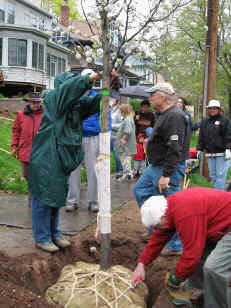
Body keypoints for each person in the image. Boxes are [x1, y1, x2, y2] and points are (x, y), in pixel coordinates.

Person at [28, 70, 102, 253]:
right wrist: (89, 78)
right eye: (75, 84)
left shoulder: (75, 104)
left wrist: (108, 86)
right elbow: (71, 89)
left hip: (59, 158)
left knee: (55, 198)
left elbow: (95, 103)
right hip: (46, 158)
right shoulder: (54, 99)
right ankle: (42, 237)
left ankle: (54, 233)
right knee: (43, 199)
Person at [131, 188, 231, 308]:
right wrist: (142, 264)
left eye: (156, 226)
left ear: (162, 217)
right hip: (217, 223)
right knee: (200, 253)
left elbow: (191, 255)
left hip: (227, 225)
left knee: (213, 268)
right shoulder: (168, 209)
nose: (156, 229)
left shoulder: (185, 214)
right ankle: (197, 288)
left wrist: (176, 277)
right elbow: (158, 238)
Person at [134, 83, 191, 254]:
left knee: (170, 206)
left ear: (163, 97)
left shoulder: (174, 116)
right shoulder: (163, 114)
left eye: (152, 95)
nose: (149, 98)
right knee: (141, 190)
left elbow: (175, 147)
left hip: (167, 167)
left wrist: (166, 175)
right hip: (155, 166)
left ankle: (175, 245)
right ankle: (157, 231)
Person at [66, 86, 111, 213]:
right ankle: (72, 201)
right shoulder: (74, 96)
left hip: (92, 137)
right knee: (73, 170)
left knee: (93, 171)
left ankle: (93, 201)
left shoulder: (99, 97)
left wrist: (105, 136)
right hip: (75, 138)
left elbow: (106, 117)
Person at [11, 92, 44, 207]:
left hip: (40, 152)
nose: (35, 105)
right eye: (33, 102)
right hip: (24, 150)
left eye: (38, 102)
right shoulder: (21, 114)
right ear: (29, 103)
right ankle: (34, 198)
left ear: (41, 103)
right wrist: (14, 147)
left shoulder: (45, 114)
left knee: (37, 177)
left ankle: (35, 201)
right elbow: (16, 131)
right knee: (27, 175)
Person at [197, 99, 231, 190]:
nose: (212, 110)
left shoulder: (225, 121)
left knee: (220, 176)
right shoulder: (205, 122)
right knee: (213, 176)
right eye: (211, 108)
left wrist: (228, 149)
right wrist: (200, 149)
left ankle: (218, 197)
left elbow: (228, 135)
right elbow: (201, 136)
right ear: (208, 109)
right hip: (210, 153)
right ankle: (217, 195)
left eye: (215, 108)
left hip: (222, 153)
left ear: (219, 109)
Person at [115, 104, 137, 181]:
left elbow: (128, 130)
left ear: (123, 111)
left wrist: (123, 139)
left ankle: (128, 175)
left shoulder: (127, 119)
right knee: (125, 159)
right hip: (126, 145)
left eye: (120, 110)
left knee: (125, 160)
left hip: (126, 145)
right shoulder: (128, 118)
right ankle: (127, 174)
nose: (120, 112)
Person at [109, 94, 123, 178]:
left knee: (116, 154)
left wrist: (111, 126)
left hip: (115, 136)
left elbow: (122, 125)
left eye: (111, 99)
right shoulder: (107, 110)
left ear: (116, 101)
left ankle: (120, 171)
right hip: (106, 136)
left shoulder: (119, 111)